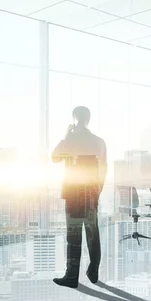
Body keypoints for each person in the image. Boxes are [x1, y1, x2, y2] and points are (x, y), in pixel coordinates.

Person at [51, 106, 107, 288]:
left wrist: (67, 135)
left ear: (74, 119)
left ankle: (72, 276)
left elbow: (54, 157)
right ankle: (93, 271)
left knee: (74, 235)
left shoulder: (71, 140)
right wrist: (97, 191)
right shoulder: (99, 142)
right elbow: (103, 170)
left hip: (74, 193)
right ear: (88, 119)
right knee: (93, 232)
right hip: (91, 193)